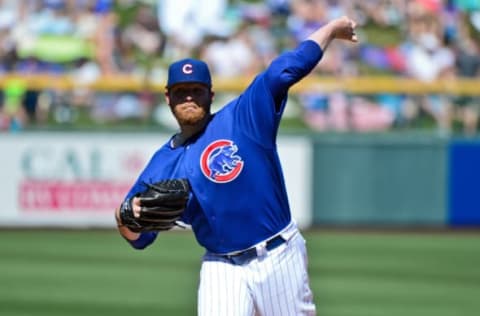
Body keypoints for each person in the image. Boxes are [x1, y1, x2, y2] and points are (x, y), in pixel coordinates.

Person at [115, 15, 357, 316]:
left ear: (210, 94)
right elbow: (139, 237)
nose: (189, 97)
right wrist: (125, 218)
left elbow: (287, 68)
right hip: (220, 264)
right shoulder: (162, 164)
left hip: (277, 253)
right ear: (168, 97)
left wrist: (331, 29)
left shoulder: (244, 117)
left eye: (196, 90)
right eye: (180, 91)